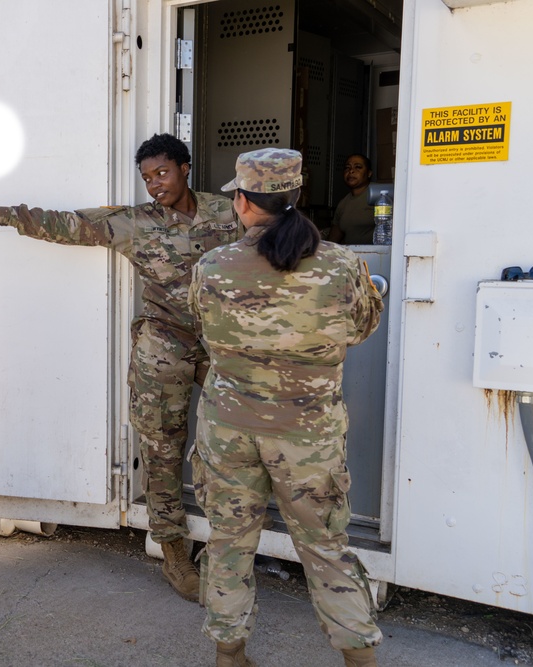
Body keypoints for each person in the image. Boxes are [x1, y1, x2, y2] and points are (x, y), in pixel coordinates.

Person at [0, 133, 242, 601]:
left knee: (230, 446)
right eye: (147, 178)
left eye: (162, 173)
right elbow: (69, 224)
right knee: (161, 449)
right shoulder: (136, 223)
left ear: (186, 167)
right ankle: (173, 553)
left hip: (221, 345)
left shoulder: (228, 212)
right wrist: (1, 214)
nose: (154, 185)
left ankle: (226, 549)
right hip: (163, 344)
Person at [188, 148, 384, 667]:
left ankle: (229, 657)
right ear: (295, 197)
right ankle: (359, 661)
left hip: (229, 430)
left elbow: (206, 331)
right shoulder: (340, 265)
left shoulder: (212, 268)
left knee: (229, 542)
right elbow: (361, 328)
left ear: (244, 203)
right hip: (307, 436)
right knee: (324, 546)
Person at [329, 153, 374, 244]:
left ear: (369, 173)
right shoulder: (343, 203)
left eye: (358, 167)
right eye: (347, 167)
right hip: (351, 255)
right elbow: (332, 241)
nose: (351, 171)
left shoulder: (380, 195)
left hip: (377, 255)